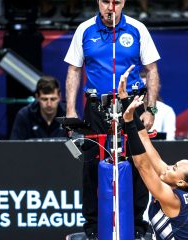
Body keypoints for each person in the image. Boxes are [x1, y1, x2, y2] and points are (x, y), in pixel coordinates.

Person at [64, 0, 160, 238]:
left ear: (123, 3)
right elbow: (74, 70)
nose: (111, 7)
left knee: (140, 165)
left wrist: (150, 109)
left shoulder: (138, 29)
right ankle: (93, 228)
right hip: (96, 108)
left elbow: (152, 70)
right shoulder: (84, 29)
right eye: (106, 1)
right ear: (98, 2)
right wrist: (70, 110)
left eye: (116, 2)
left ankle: (137, 227)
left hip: (131, 105)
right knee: (91, 167)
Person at [118, 66, 188, 240]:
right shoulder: (173, 181)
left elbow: (142, 165)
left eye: (174, 169)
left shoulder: (172, 199)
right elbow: (144, 139)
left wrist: (128, 122)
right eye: (173, 165)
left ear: (180, 181)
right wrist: (125, 101)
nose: (168, 168)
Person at [10, 75, 67, 140]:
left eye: (53, 99)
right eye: (44, 99)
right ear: (37, 97)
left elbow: (78, 145)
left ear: (59, 96)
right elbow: (15, 146)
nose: (49, 104)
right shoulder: (24, 115)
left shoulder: (68, 115)